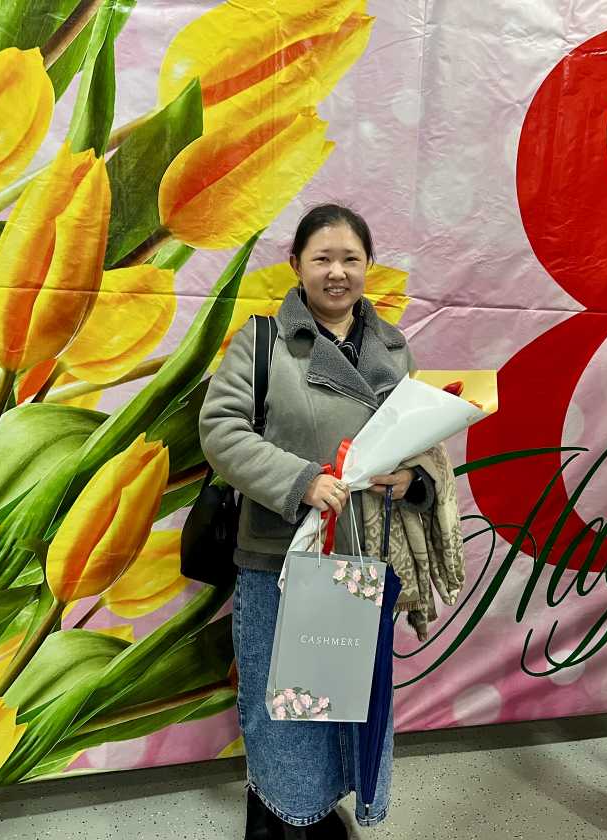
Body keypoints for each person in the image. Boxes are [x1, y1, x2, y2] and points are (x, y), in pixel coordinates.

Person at [199, 204, 433, 838]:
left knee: (339, 700)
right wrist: (301, 480)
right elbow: (220, 431)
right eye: (322, 258)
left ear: (368, 266)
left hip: (362, 560)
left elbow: (423, 443)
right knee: (280, 704)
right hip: (280, 557)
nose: (337, 272)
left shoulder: (393, 348)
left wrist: (412, 479)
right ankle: (276, 816)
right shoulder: (263, 341)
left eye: (350, 259)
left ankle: (317, 808)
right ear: (296, 265)